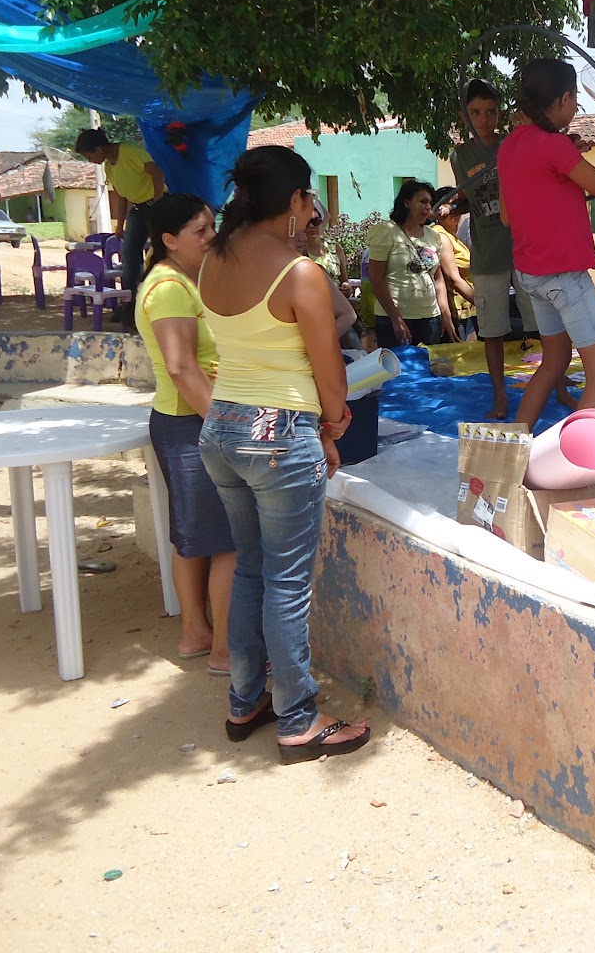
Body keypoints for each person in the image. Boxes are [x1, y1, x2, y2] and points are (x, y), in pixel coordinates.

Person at [196, 144, 369, 763]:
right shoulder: (299, 274)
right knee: (287, 583)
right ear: (294, 199)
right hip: (279, 435)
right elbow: (330, 372)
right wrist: (333, 423)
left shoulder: (212, 261)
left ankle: (246, 700)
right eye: (308, 197)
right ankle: (298, 720)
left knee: (250, 567)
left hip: (222, 427)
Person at [498, 58, 595, 428]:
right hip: (564, 277)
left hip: (531, 276)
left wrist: (560, 177)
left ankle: (515, 446)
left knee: (554, 362)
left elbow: (508, 216)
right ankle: (576, 456)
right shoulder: (555, 146)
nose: (575, 107)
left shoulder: (510, 145)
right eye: (574, 100)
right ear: (564, 98)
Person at [134, 193, 236, 673]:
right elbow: (181, 367)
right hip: (191, 422)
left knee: (195, 534)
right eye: (200, 230)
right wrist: (225, 427)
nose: (212, 237)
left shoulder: (186, 280)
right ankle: (226, 651)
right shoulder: (169, 287)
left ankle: (196, 633)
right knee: (230, 540)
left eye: (212, 226)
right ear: (170, 239)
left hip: (191, 420)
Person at [451, 79, 545, 419]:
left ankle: (557, 384)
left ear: (500, 113)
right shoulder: (460, 156)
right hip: (487, 254)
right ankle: (500, 396)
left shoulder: (513, 143)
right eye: (476, 112)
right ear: (465, 115)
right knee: (491, 331)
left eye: (491, 112)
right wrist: (450, 207)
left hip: (523, 249)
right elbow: (467, 198)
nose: (484, 119)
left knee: (542, 323)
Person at [365, 179, 463, 347]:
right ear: (406, 202)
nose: (428, 207)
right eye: (422, 202)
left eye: (430, 203)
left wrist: (445, 315)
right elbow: (376, 278)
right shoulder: (387, 232)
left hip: (430, 318)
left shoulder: (433, 236)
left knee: (428, 362)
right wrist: (396, 319)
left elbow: (438, 279)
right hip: (395, 319)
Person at [76, 127, 167, 297]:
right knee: (129, 255)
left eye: (89, 156)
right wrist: (119, 225)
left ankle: (160, 294)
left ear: (98, 149)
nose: (90, 161)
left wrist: (158, 203)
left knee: (160, 251)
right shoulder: (109, 167)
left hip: (155, 205)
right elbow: (121, 196)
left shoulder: (129, 152)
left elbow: (157, 172)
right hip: (138, 209)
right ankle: (129, 300)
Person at [293, 198, 360, 350]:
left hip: (337, 311)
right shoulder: (298, 251)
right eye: (306, 222)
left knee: (354, 348)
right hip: (314, 314)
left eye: (316, 221)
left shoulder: (334, 249)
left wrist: (346, 287)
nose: (312, 226)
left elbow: (344, 280)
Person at [431, 188, 478, 341]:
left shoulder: (451, 234)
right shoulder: (440, 235)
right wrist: (483, 305)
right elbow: (452, 278)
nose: (455, 212)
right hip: (456, 312)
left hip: (468, 308)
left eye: (457, 206)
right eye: (450, 206)